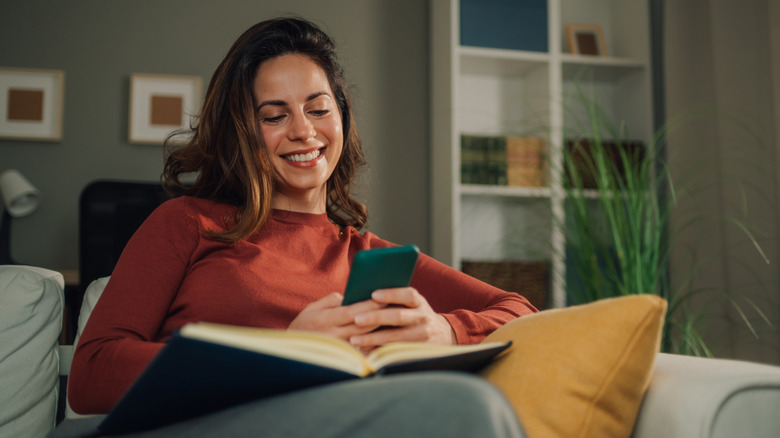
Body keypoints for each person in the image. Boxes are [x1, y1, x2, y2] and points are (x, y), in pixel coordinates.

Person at [56, 17, 536, 437]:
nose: (303, 130)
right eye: (274, 115)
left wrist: (443, 332)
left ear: (341, 117)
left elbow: (519, 310)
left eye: (318, 108)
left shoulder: (367, 256)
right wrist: (286, 352)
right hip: (191, 425)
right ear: (243, 132)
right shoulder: (187, 223)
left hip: (328, 421)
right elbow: (92, 372)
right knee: (463, 406)